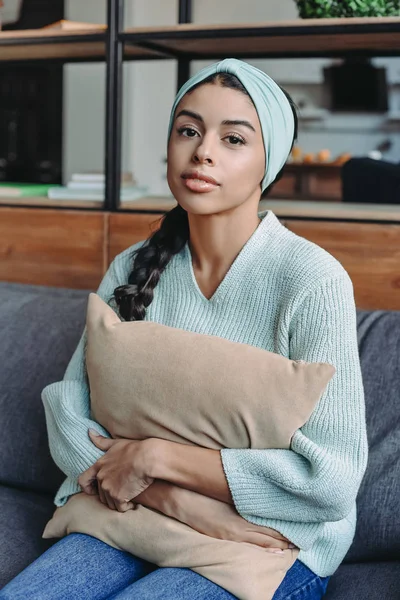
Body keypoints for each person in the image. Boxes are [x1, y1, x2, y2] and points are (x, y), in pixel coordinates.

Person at [0, 58, 368, 600]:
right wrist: (174, 500)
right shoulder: (131, 268)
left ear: (271, 162)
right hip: (130, 517)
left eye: (234, 138)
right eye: (188, 130)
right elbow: (67, 411)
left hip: (264, 544)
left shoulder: (312, 280)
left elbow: (330, 480)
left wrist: (153, 457)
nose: (203, 152)